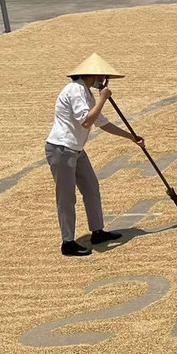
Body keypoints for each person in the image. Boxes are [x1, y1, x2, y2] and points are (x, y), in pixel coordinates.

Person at [45, 54, 146, 257]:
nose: (105, 81)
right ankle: (67, 242)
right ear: (94, 75)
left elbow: (102, 122)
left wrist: (131, 137)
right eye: (104, 77)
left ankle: (97, 231)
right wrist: (102, 99)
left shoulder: (86, 93)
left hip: (76, 149)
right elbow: (86, 120)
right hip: (61, 149)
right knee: (66, 197)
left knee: (91, 187)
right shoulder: (75, 90)